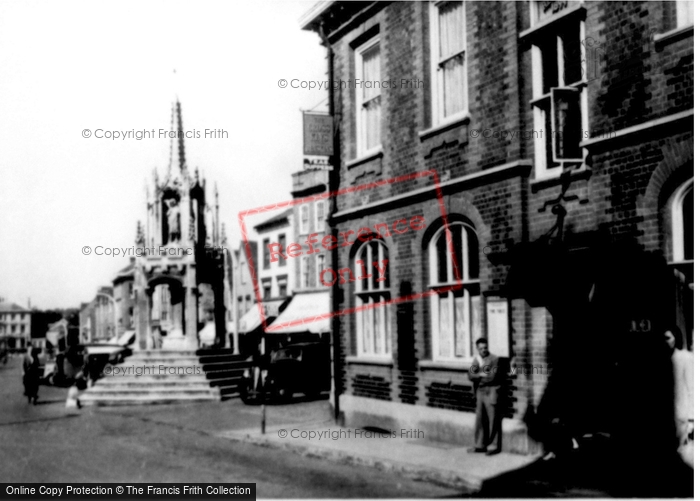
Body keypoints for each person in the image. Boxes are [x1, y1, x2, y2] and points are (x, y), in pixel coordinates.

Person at [468, 338, 502, 455]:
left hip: (491, 390)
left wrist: (478, 375)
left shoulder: (494, 359)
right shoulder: (476, 360)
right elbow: (470, 375)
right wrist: (481, 374)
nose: (483, 350)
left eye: (485, 348)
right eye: (481, 348)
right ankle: (479, 445)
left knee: (493, 418)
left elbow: (492, 376)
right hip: (480, 391)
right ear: (477, 349)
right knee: (480, 418)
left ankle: (493, 446)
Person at [664, 326, 693, 465]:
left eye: (668, 338)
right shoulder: (663, 361)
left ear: (676, 338)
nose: (665, 342)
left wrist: (691, 419)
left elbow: (691, 388)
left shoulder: (685, 358)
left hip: (681, 416)